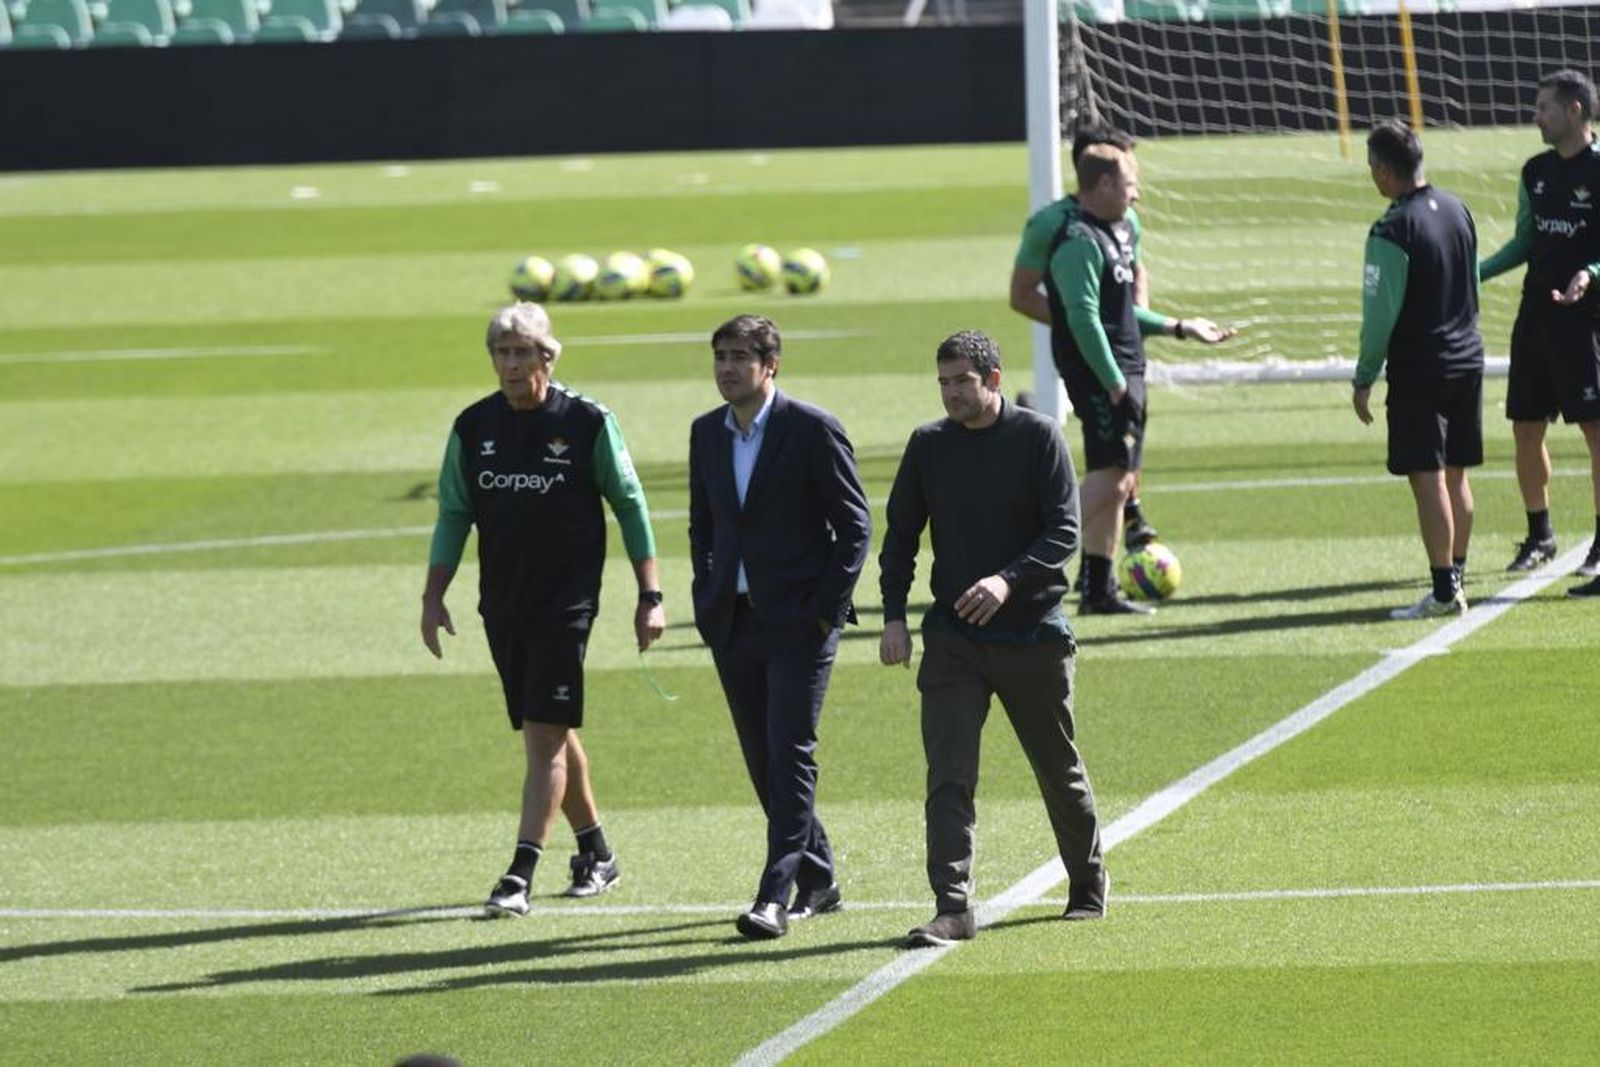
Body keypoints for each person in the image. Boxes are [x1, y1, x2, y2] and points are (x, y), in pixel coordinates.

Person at [420, 302, 666, 918]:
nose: (509, 364)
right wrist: (433, 594)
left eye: (521, 352)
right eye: (501, 353)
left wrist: (650, 595)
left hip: (567, 602)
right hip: (502, 603)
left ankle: (519, 873)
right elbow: (454, 512)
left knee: (543, 737)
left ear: (547, 357)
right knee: (547, 727)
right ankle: (597, 852)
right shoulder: (473, 427)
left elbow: (630, 505)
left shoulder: (586, 422)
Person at [879, 330, 1107, 949]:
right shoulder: (928, 446)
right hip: (954, 641)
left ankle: (1087, 882)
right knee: (948, 774)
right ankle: (952, 907)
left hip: (1033, 636)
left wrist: (1008, 582)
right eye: (944, 383)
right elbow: (900, 536)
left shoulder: (1038, 438)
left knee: (1057, 769)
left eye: (963, 382)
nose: (952, 394)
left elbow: (1064, 530)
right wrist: (894, 615)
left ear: (995, 380)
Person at [688, 314, 871, 940]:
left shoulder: (813, 429)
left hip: (800, 623)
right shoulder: (706, 434)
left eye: (741, 356)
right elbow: (703, 525)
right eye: (720, 356)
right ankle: (819, 878)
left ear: (771, 366)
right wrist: (705, 590)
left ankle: (775, 892)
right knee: (762, 759)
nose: (728, 368)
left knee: (790, 752)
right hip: (733, 621)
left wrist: (824, 609)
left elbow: (854, 529)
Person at [1045, 144, 1236, 615]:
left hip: (1124, 370)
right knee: (1112, 481)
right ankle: (1021, 558)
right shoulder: (1078, 241)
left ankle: (1096, 589)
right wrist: (1113, 382)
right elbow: (1084, 319)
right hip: (1101, 375)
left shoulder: (1115, 232)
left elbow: (1122, 312)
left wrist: (1178, 327)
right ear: (1104, 185)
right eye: (1131, 184)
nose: (1138, 194)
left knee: (1116, 478)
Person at [1353, 120, 1486, 619]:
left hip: (1421, 367)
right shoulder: (1458, 209)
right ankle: (1457, 575)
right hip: (1467, 357)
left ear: (1385, 170)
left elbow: (1379, 313)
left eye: (1372, 169)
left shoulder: (1391, 227)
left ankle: (1444, 591)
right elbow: (1473, 282)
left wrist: (1365, 376)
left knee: (1427, 480)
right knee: (1457, 476)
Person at [1011, 123, 1159, 558]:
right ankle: (1030, 554)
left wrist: (1132, 327)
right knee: (1110, 466)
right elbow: (1021, 295)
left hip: (1125, 352)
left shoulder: (1126, 218)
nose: (1136, 185)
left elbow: (1135, 272)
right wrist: (1085, 326)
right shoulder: (1054, 225)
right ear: (1099, 174)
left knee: (1117, 461)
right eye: (1127, 170)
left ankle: (1099, 582)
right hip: (1088, 354)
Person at [1479, 69, 1600, 591]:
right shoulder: (1535, 172)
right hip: (1538, 315)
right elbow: (1526, 240)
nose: (1536, 117)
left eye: (1543, 108)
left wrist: (1590, 274)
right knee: (1526, 427)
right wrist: (1471, 274)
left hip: (1588, 320)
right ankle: (1540, 535)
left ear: (1575, 111)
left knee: (1597, 434)